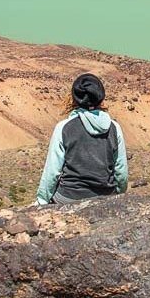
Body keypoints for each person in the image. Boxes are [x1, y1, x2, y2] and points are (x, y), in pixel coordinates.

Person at [35, 73, 128, 205]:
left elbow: (52, 172)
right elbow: (121, 171)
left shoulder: (63, 128)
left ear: (75, 98)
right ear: (100, 98)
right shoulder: (114, 128)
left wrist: (42, 201)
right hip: (105, 196)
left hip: (68, 197)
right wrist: (118, 193)